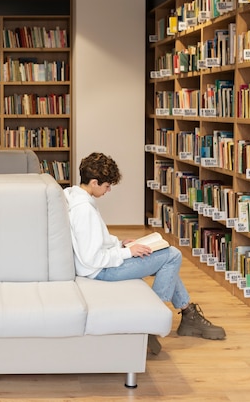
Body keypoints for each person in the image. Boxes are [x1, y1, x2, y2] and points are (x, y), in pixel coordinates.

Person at [63, 152, 226, 355]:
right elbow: (91, 257)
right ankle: (151, 324)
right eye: (106, 186)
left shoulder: (75, 196)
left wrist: (120, 243)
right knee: (172, 255)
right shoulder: (84, 209)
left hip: (102, 263)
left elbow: (94, 240)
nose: (108, 190)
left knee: (167, 257)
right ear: (94, 182)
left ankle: (188, 313)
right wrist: (127, 253)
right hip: (101, 270)